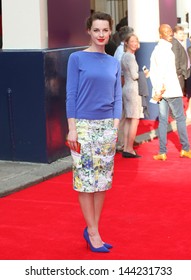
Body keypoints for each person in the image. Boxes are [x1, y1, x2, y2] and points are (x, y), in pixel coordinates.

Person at [66, 12, 122, 253]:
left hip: (107, 127)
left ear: (110, 32)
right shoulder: (76, 58)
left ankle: (93, 229)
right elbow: (71, 94)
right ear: (89, 31)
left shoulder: (114, 62)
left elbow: (118, 96)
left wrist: (116, 125)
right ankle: (93, 231)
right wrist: (72, 130)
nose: (101, 35)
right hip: (83, 128)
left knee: (102, 183)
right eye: (97, 30)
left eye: (105, 30)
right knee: (85, 183)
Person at [150, 24, 191, 160]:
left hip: (163, 89)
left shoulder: (158, 49)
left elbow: (154, 71)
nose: (170, 33)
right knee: (180, 119)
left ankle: (162, 152)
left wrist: (158, 89)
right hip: (169, 89)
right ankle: (185, 148)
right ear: (160, 34)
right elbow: (162, 72)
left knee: (163, 120)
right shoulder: (164, 50)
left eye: (170, 31)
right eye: (166, 31)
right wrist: (161, 88)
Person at [121, 33, 143, 158]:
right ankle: (129, 148)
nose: (134, 43)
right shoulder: (130, 57)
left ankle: (126, 147)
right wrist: (143, 73)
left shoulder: (124, 56)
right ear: (127, 43)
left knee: (128, 119)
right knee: (134, 119)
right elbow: (135, 75)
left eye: (136, 41)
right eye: (132, 41)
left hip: (126, 88)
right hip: (133, 89)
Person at [114, 26, 134, 151]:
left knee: (124, 114)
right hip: (123, 85)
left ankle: (125, 140)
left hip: (122, 85)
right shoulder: (122, 52)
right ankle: (121, 141)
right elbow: (121, 72)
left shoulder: (121, 50)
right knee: (123, 115)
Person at [172, 25, 190, 93]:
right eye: (180, 33)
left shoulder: (179, 43)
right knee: (178, 93)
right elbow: (176, 59)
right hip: (179, 74)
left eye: (183, 33)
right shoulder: (175, 43)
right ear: (175, 34)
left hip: (182, 73)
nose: (182, 35)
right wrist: (179, 73)